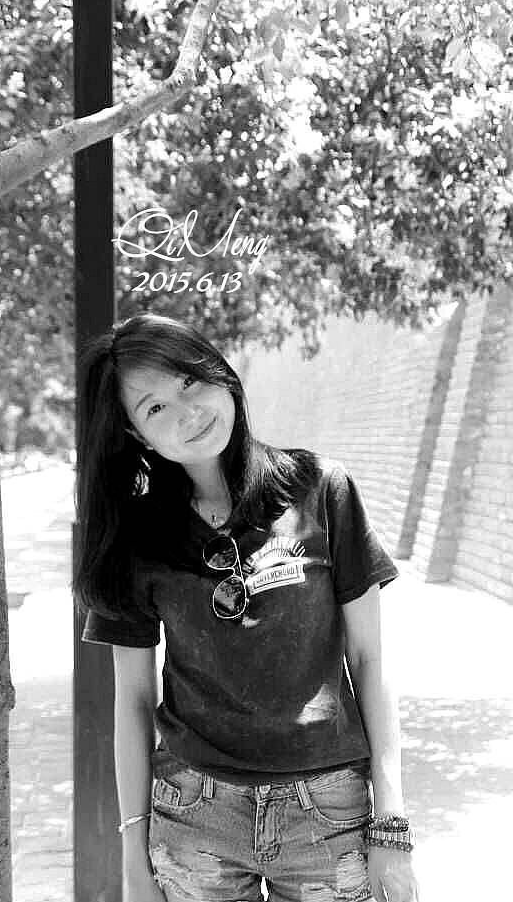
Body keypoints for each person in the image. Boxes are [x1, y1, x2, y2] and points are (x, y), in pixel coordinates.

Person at [74, 312, 419, 902]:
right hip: (194, 815)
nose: (187, 412)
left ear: (220, 374)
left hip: (329, 814)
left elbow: (369, 662)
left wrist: (392, 823)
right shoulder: (138, 538)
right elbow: (131, 700)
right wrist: (133, 858)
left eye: (189, 381)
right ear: (137, 435)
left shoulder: (321, 490)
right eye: (155, 408)